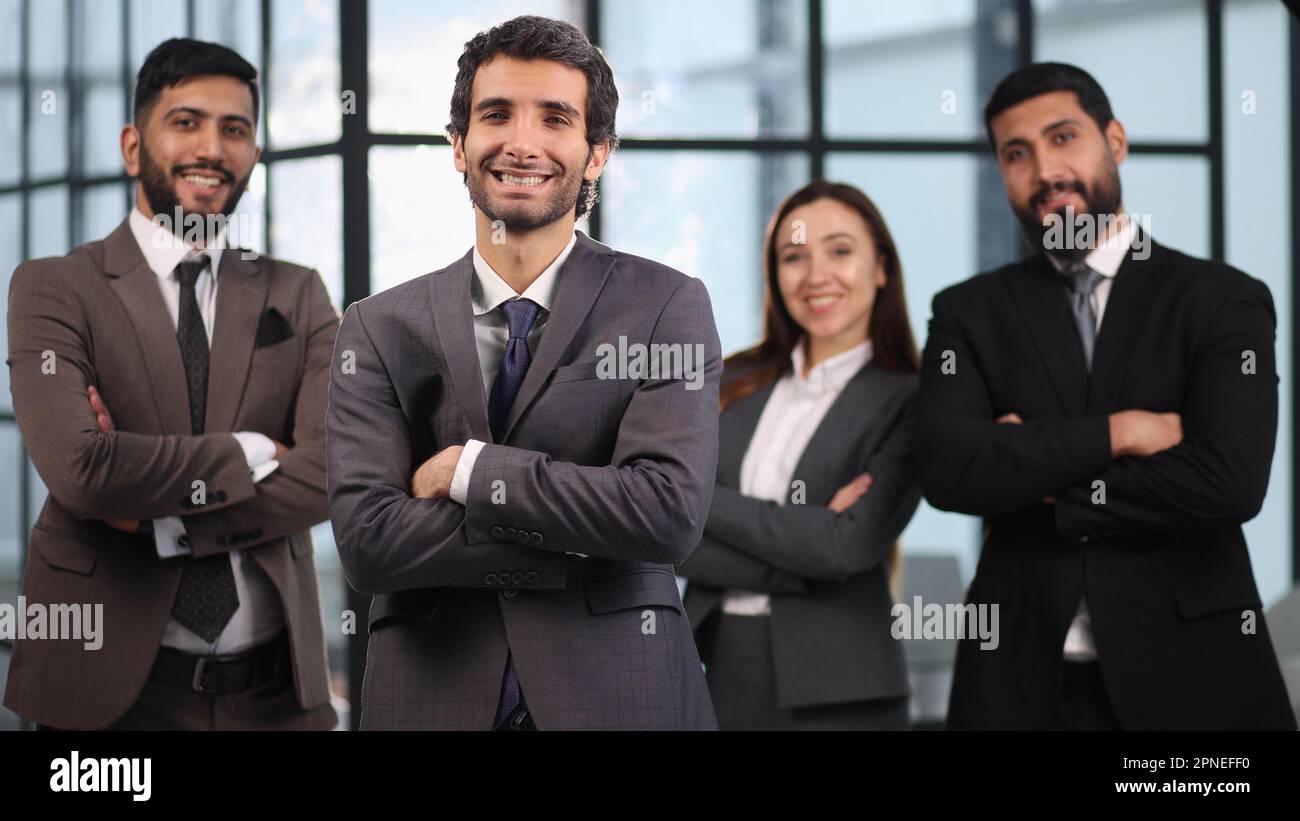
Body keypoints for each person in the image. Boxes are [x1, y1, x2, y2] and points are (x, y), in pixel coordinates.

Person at [326, 15, 721, 731]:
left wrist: (471, 474)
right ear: (458, 145)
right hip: (431, 696)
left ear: (597, 152)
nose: (522, 142)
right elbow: (368, 541)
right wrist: (580, 531)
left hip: (621, 697)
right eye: (496, 114)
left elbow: (666, 512)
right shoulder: (378, 327)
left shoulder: (667, 306)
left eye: (556, 118)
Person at [916, 62, 1295, 730]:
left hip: (1193, 675)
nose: (1045, 170)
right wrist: (1122, 432)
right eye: (1016, 153)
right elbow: (949, 468)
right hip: (1019, 683)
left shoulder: (1219, 300)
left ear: (1115, 140)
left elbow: (1230, 480)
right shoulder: (968, 312)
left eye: (1064, 138)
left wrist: (1037, 474)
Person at [5, 38, 340, 730]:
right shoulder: (53, 287)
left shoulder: (298, 293)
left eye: (235, 129)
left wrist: (159, 518)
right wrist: (252, 449)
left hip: (275, 694)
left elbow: (336, 468)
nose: (212, 149)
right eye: (186, 122)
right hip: (110, 693)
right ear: (134, 146)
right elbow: (82, 471)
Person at [677, 180, 922, 730]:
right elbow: (667, 539)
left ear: (881, 267)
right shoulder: (732, 380)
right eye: (794, 256)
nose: (816, 275)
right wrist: (802, 552)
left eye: (840, 250)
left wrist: (695, 498)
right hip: (710, 665)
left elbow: (844, 546)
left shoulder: (912, 398)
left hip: (842, 688)